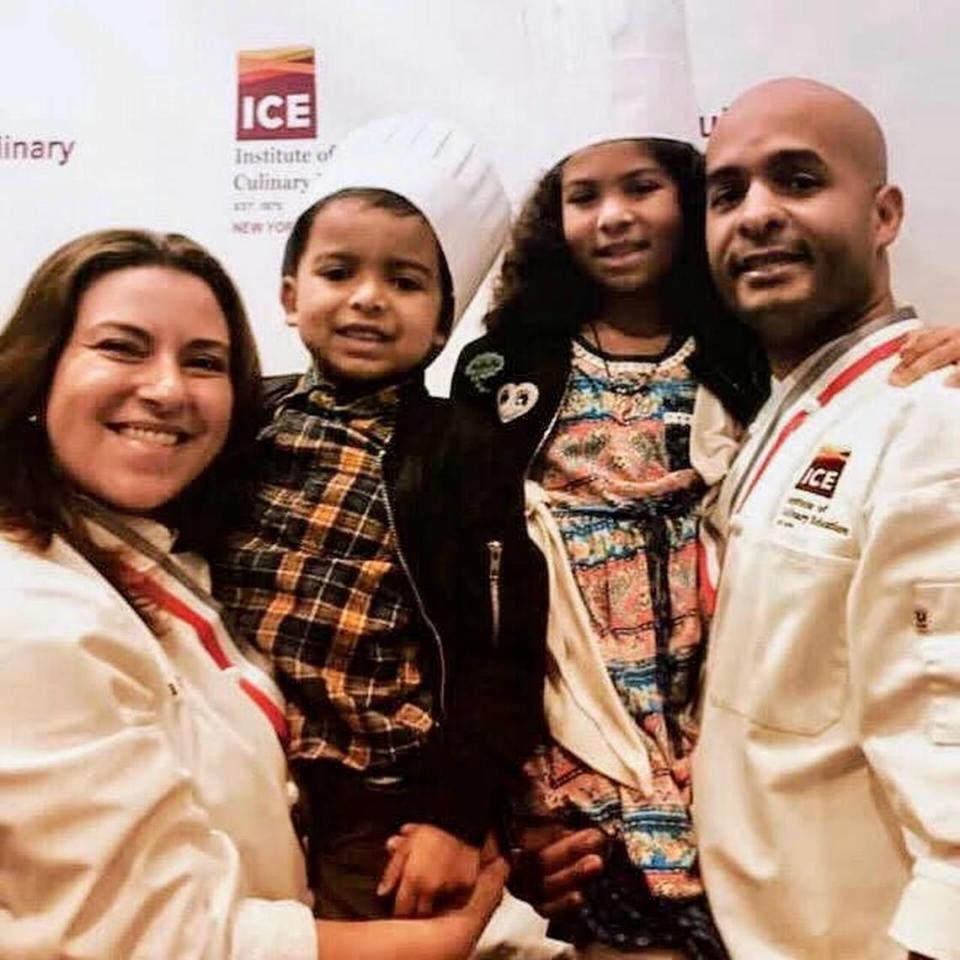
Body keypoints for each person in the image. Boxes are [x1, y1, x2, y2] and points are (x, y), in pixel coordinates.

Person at [0, 228, 508, 959]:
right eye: (122, 347)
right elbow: (161, 941)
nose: (168, 389)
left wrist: (474, 809)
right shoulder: (28, 621)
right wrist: (435, 944)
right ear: (39, 368)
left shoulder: (183, 551)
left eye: (203, 361)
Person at [452, 11, 768, 951]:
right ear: (555, 218)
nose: (615, 215)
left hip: (719, 707)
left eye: (642, 187)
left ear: (692, 196)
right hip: (571, 707)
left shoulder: (747, 356)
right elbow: (472, 574)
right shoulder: (504, 367)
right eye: (584, 195)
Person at [212, 117, 548, 923]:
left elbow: (500, 655)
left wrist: (454, 816)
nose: (368, 298)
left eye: (404, 281)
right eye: (338, 271)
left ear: (442, 320)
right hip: (230, 759)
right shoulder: (240, 417)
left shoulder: (464, 451)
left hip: (378, 794)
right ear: (292, 295)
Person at [692, 78, 960, 960]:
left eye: (797, 181)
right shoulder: (784, 413)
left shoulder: (934, 419)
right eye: (727, 193)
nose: (755, 215)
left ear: (884, 215)